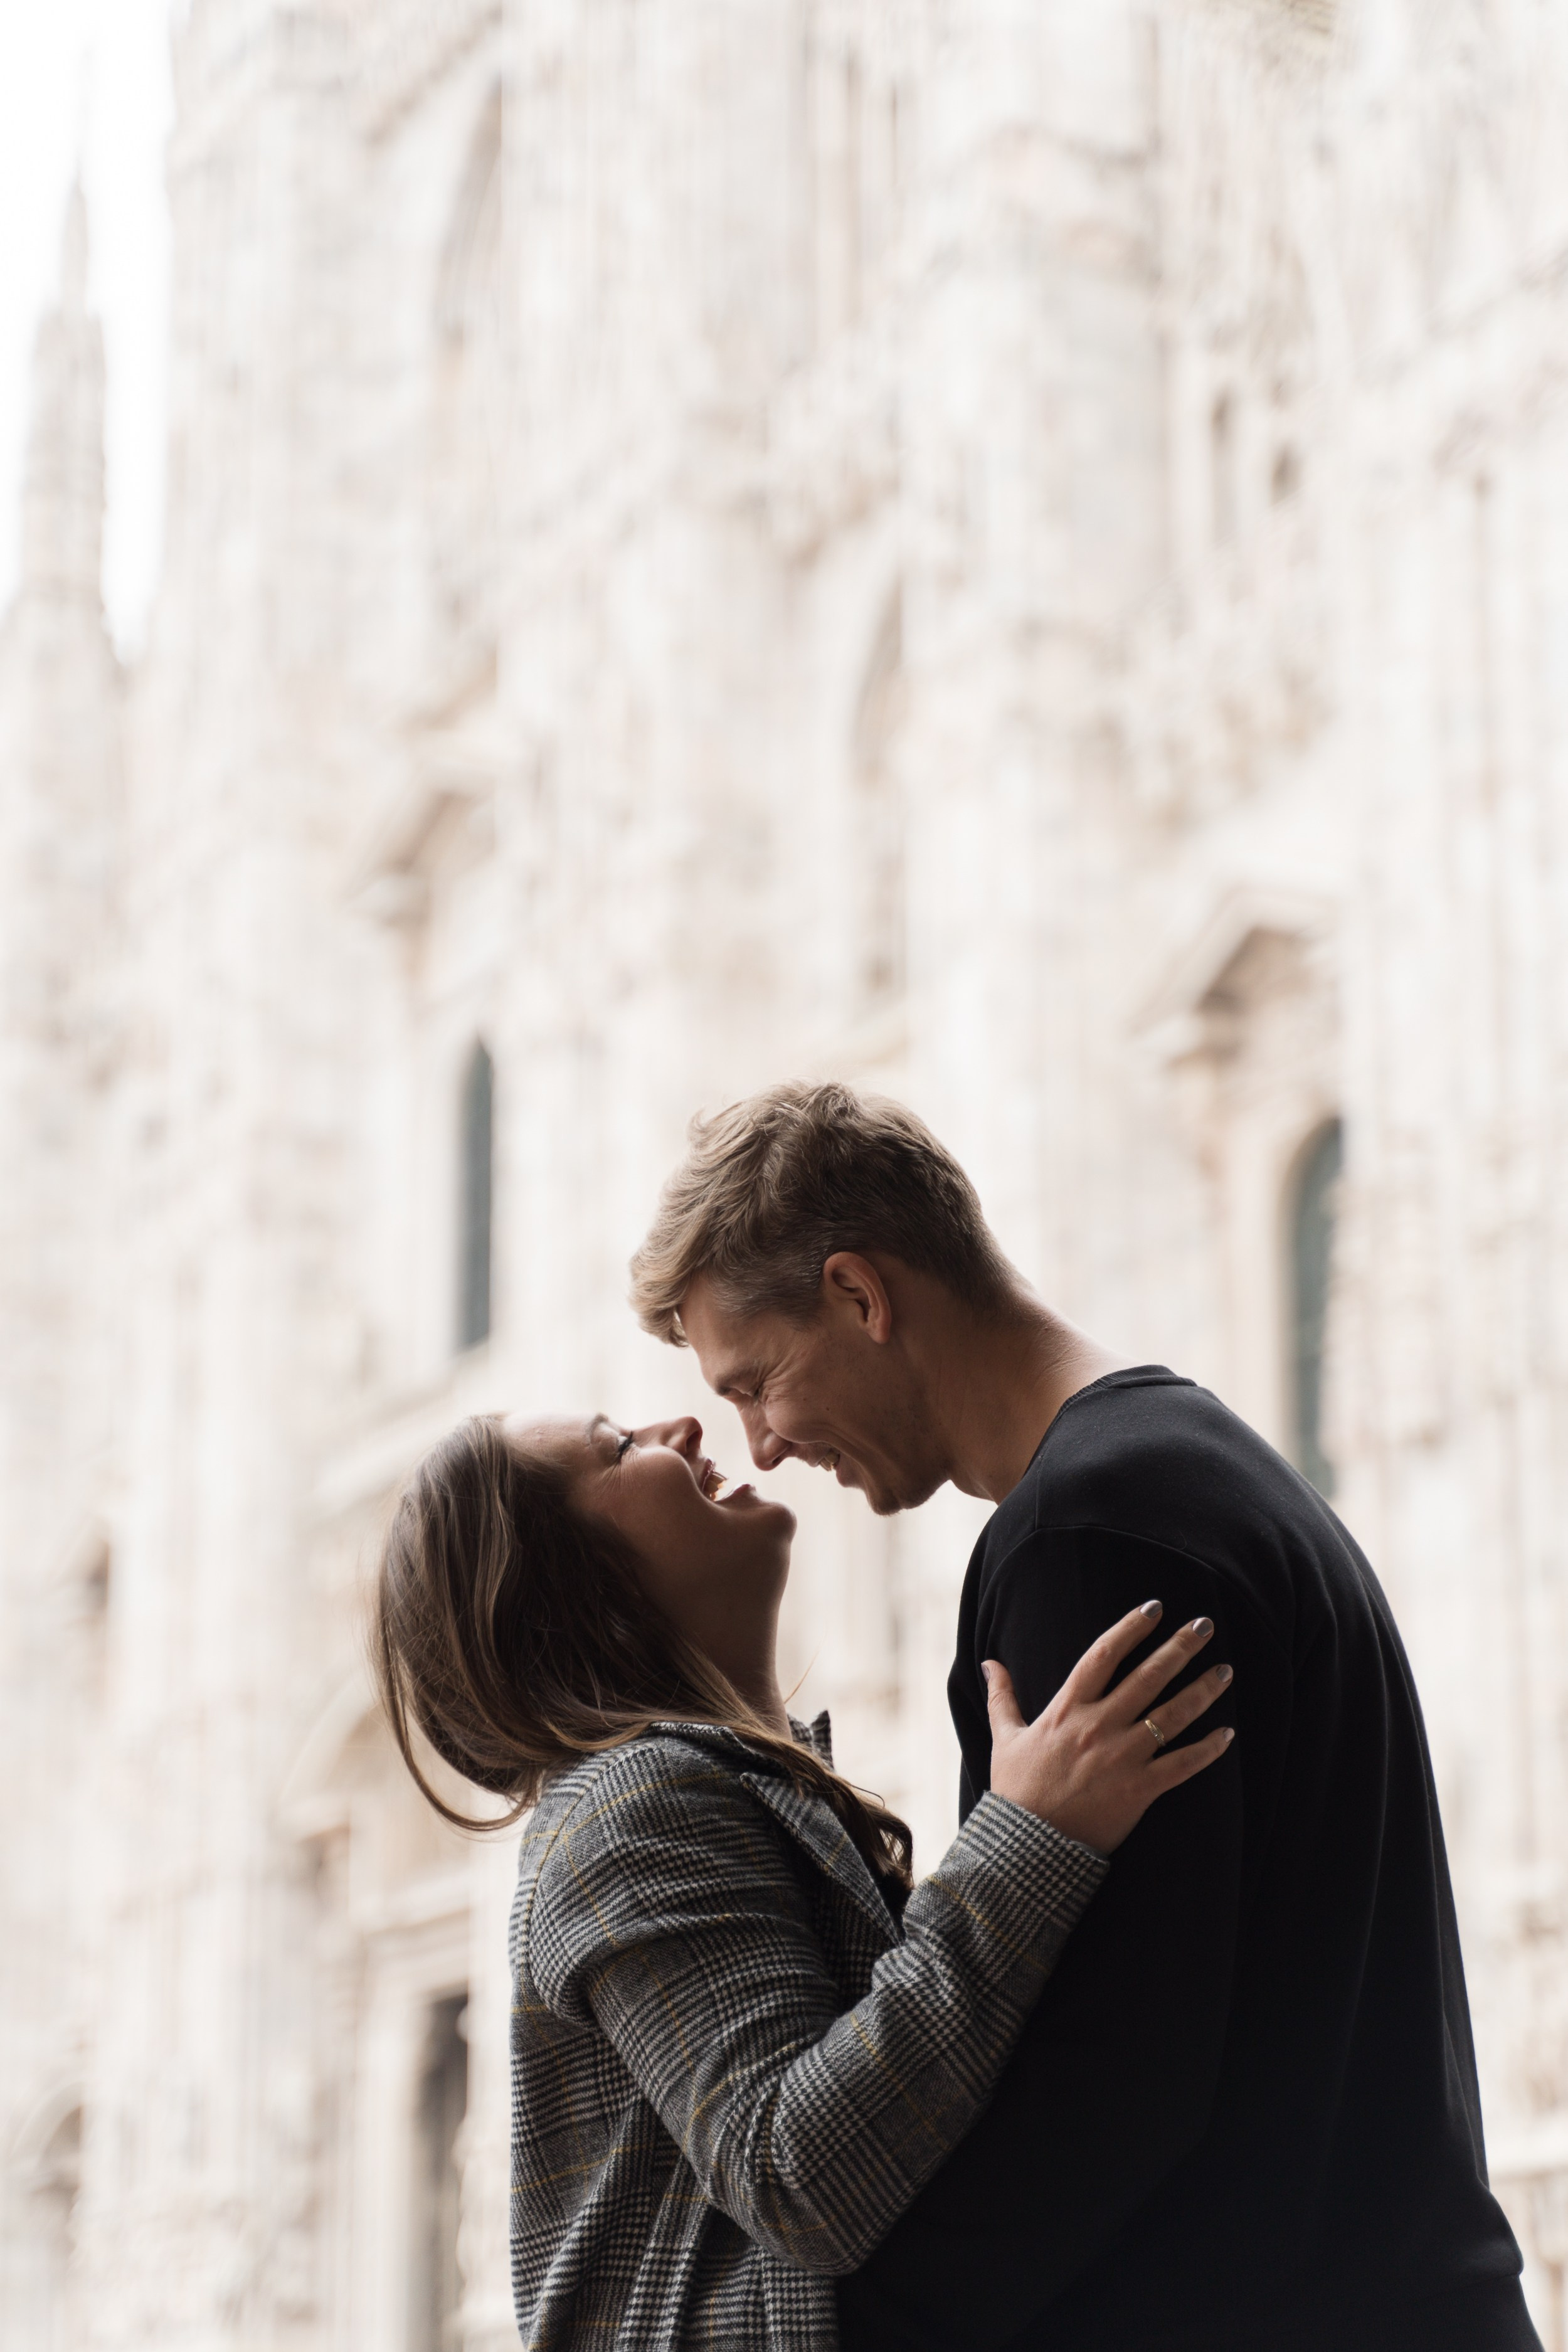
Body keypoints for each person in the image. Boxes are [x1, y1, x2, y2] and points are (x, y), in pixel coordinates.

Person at [630, 1080, 1543, 2352]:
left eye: (759, 1381)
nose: (763, 1445)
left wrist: (836, 2323)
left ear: (858, 1292)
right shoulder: (1183, 1463)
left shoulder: (1086, 1537)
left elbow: (1105, 2076)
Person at [374, 1409, 1234, 2351]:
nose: (685, 1424)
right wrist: (1030, 1834)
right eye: (619, 1448)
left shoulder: (694, 1789)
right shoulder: (628, 1806)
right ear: (570, 1592)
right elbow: (800, 2172)